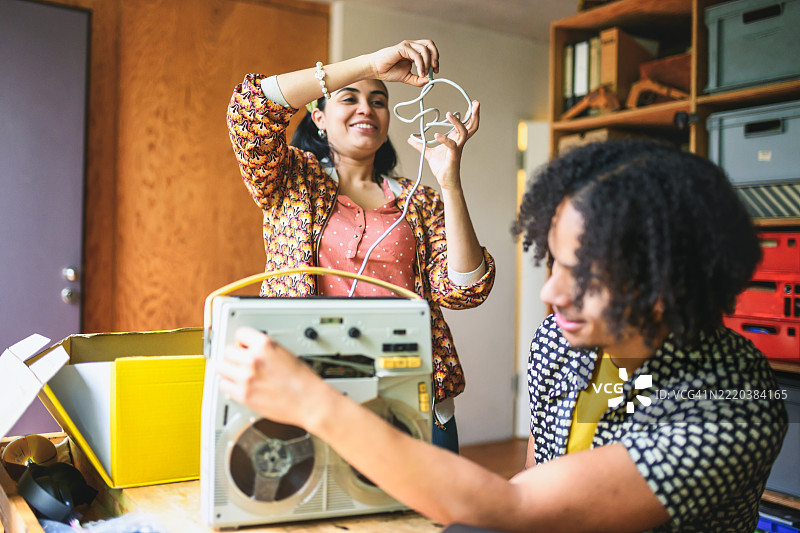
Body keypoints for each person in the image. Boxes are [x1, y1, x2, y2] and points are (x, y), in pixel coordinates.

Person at [216, 138, 788, 532]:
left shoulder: (732, 407)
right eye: (553, 264)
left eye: (584, 276)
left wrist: (311, 400)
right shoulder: (560, 344)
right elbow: (539, 475)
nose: (551, 295)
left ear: (663, 285)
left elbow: (518, 505)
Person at [226, 39, 495, 453]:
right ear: (318, 116)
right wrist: (369, 65)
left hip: (413, 399)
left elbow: (465, 289)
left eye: (378, 100)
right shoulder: (291, 181)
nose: (366, 108)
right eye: (348, 98)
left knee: (428, 519)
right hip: (311, 396)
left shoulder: (419, 200)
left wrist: (450, 184)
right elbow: (251, 109)